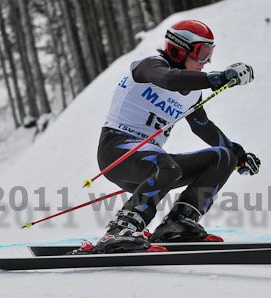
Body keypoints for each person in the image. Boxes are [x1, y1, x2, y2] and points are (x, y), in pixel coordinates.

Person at [92, 20, 260, 254]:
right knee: (167, 166)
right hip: (117, 151)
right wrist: (217, 78)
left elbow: (202, 126)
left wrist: (238, 154)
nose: (207, 61)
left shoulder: (192, 92)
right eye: (202, 53)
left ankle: (179, 222)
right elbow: (168, 80)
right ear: (177, 50)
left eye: (210, 54)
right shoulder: (148, 66)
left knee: (222, 157)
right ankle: (122, 228)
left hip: (152, 161)